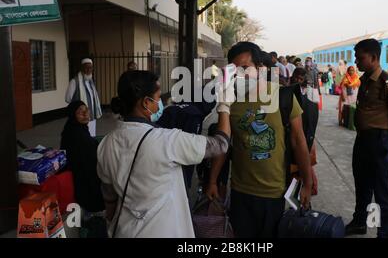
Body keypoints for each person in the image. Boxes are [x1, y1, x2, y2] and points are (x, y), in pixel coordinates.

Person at [96, 71, 231, 238]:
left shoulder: (106, 143)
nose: (160, 103)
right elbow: (221, 144)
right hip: (163, 230)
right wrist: (224, 106)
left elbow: (109, 197)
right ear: (146, 102)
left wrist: (110, 221)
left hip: (125, 230)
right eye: (158, 97)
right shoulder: (166, 141)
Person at [206, 42, 312, 238]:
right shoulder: (231, 102)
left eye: (245, 68)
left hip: (274, 192)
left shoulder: (282, 96)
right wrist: (213, 180)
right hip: (240, 191)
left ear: (259, 68)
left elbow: (299, 141)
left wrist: (307, 182)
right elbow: (224, 144)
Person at [345, 39, 388, 238]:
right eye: (356, 57)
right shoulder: (364, 80)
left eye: (360, 57)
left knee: (381, 191)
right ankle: (359, 222)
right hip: (363, 139)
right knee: (362, 185)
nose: (356, 61)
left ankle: (384, 233)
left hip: (378, 141)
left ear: (373, 57)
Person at [60, 101, 105, 215]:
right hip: (81, 175)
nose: (85, 114)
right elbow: (88, 160)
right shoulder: (76, 134)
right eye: (80, 112)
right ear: (73, 115)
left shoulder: (75, 127)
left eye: (87, 110)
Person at [65, 58, 102, 137]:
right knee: (80, 136)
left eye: (90, 67)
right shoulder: (74, 81)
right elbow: (68, 99)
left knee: (91, 136)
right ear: (82, 68)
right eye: (86, 67)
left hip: (90, 115)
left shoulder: (91, 81)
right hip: (80, 118)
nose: (89, 69)